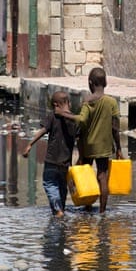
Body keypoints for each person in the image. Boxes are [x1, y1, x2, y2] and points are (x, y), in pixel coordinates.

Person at [56, 67, 123, 214]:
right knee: (102, 176)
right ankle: (102, 211)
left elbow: (80, 125)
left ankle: (87, 207)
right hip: (104, 146)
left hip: (87, 146)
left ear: (90, 83)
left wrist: (79, 150)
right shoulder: (111, 102)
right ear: (105, 82)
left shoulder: (87, 102)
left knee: (86, 174)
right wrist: (118, 148)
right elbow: (115, 128)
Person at [23, 91, 78, 217]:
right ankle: (61, 210)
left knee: (50, 183)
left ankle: (58, 210)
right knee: (62, 186)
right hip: (65, 162)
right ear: (69, 103)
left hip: (52, 160)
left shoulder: (52, 116)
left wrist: (30, 144)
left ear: (55, 105)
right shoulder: (74, 120)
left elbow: (42, 131)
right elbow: (80, 139)